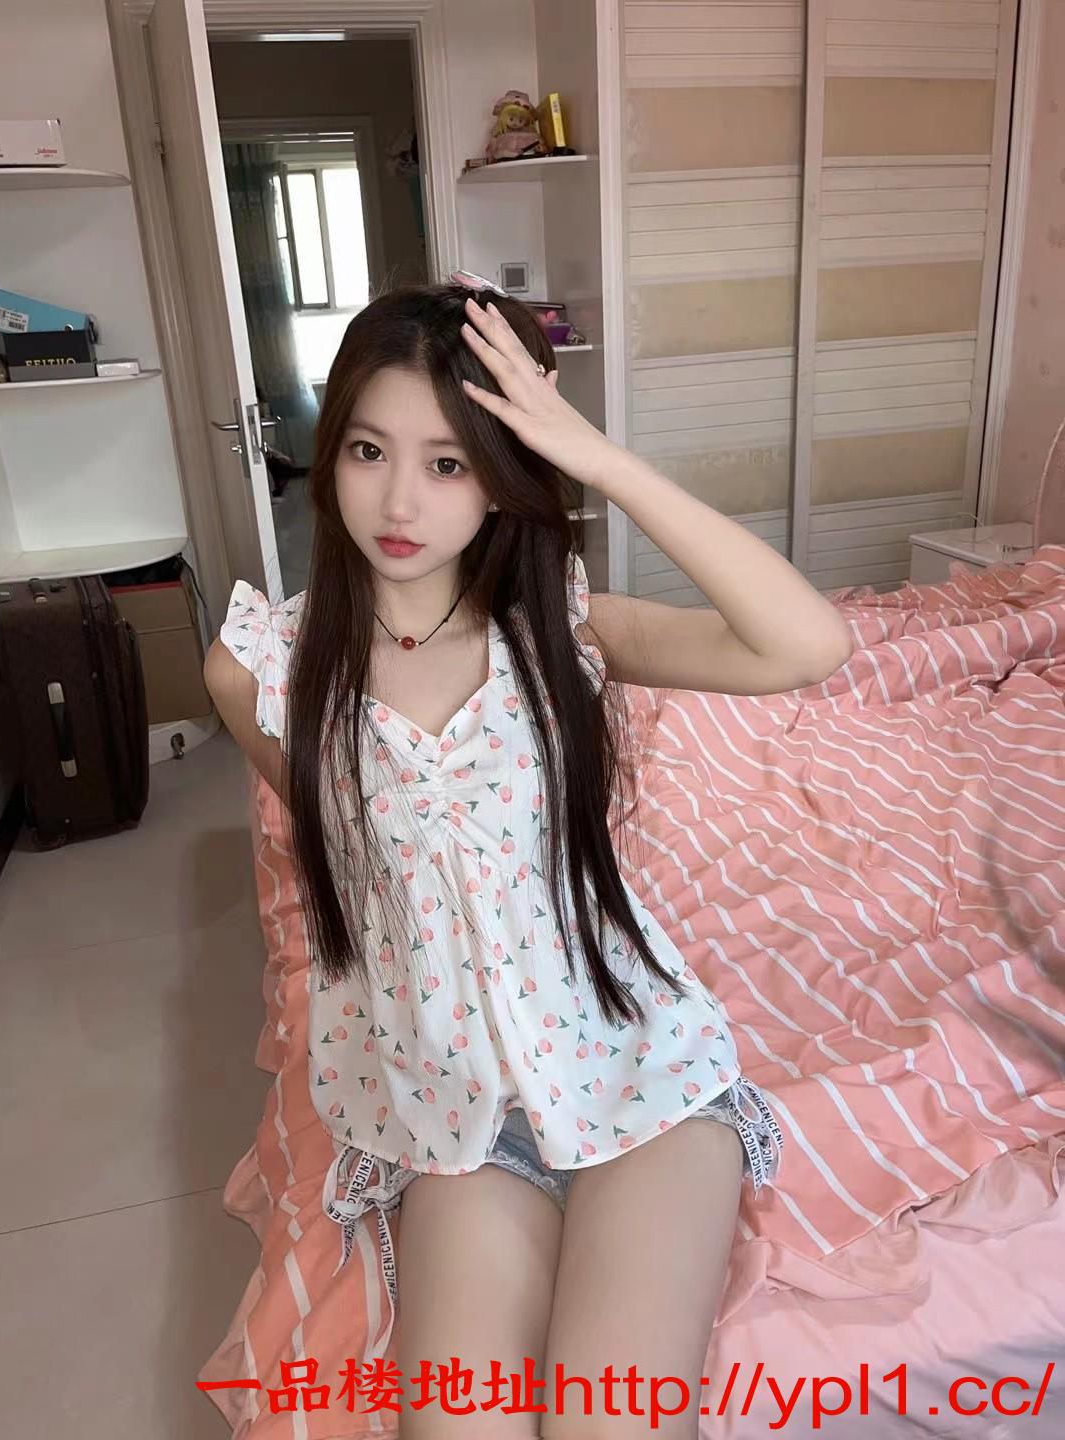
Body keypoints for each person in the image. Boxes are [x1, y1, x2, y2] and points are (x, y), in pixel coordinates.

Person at [204, 277, 853, 1438]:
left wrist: (594, 458)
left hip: (639, 1084)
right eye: (368, 450)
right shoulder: (266, 668)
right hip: (457, 1124)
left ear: (502, 476)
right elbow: (334, 837)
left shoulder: (559, 627)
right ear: (329, 450)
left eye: (451, 462)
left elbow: (806, 645)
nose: (401, 500)